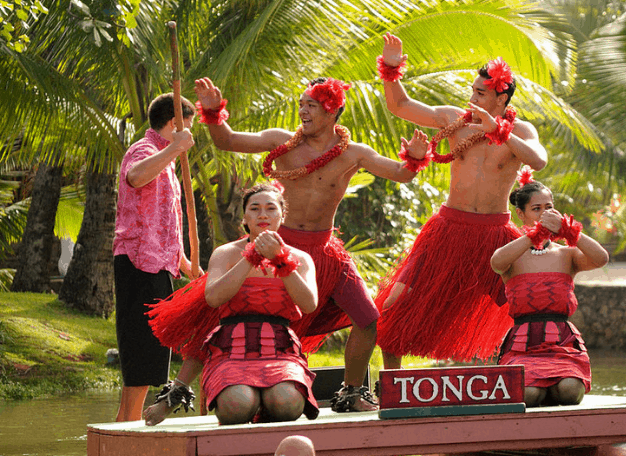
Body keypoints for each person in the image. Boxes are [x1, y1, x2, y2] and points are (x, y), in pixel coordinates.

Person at [192, 76, 430, 412]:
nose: (302, 111)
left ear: (332, 111)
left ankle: (350, 392)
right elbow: (226, 140)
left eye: (311, 106)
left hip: (326, 250)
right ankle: (231, 387)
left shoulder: (353, 153)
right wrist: (213, 109)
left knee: (368, 318)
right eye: (301, 104)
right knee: (270, 320)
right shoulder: (283, 142)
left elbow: (401, 173)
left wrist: (416, 158)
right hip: (281, 246)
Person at [374, 32, 549, 369]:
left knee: (527, 306)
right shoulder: (455, 120)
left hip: (495, 235)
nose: (472, 97)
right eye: (472, 90)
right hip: (449, 229)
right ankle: (393, 384)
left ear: (501, 98)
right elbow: (400, 105)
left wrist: (501, 132)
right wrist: (392, 68)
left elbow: (539, 161)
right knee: (394, 303)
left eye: (480, 93)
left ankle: (535, 371)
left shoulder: (522, 133)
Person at [144, 183, 320, 425]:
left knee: (286, 404)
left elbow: (309, 304)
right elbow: (214, 298)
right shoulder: (225, 253)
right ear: (245, 218)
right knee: (236, 406)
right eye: (255, 209)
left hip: (279, 350)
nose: (263, 215)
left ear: (282, 216)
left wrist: (280, 260)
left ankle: (265, 409)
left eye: (270, 208)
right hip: (231, 350)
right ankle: (235, 402)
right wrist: (251, 257)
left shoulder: (301, 258)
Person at [112, 93, 199, 422]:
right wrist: (175, 147)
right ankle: (128, 424)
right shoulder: (145, 150)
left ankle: (126, 422)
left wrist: (189, 267)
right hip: (137, 263)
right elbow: (135, 177)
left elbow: (166, 226)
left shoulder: (166, 160)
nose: (190, 135)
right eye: (188, 126)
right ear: (175, 123)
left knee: (152, 351)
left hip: (158, 265)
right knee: (141, 348)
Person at [489, 170, 608, 407]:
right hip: (524, 346)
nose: (544, 214)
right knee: (530, 395)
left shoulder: (567, 254)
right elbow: (496, 262)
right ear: (521, 214)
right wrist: (534, 235)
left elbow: (601, 258)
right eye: (536, 209)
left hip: (561, 345)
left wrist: (570, 232)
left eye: (549, 207)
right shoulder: (513, 255)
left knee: (570, 392)